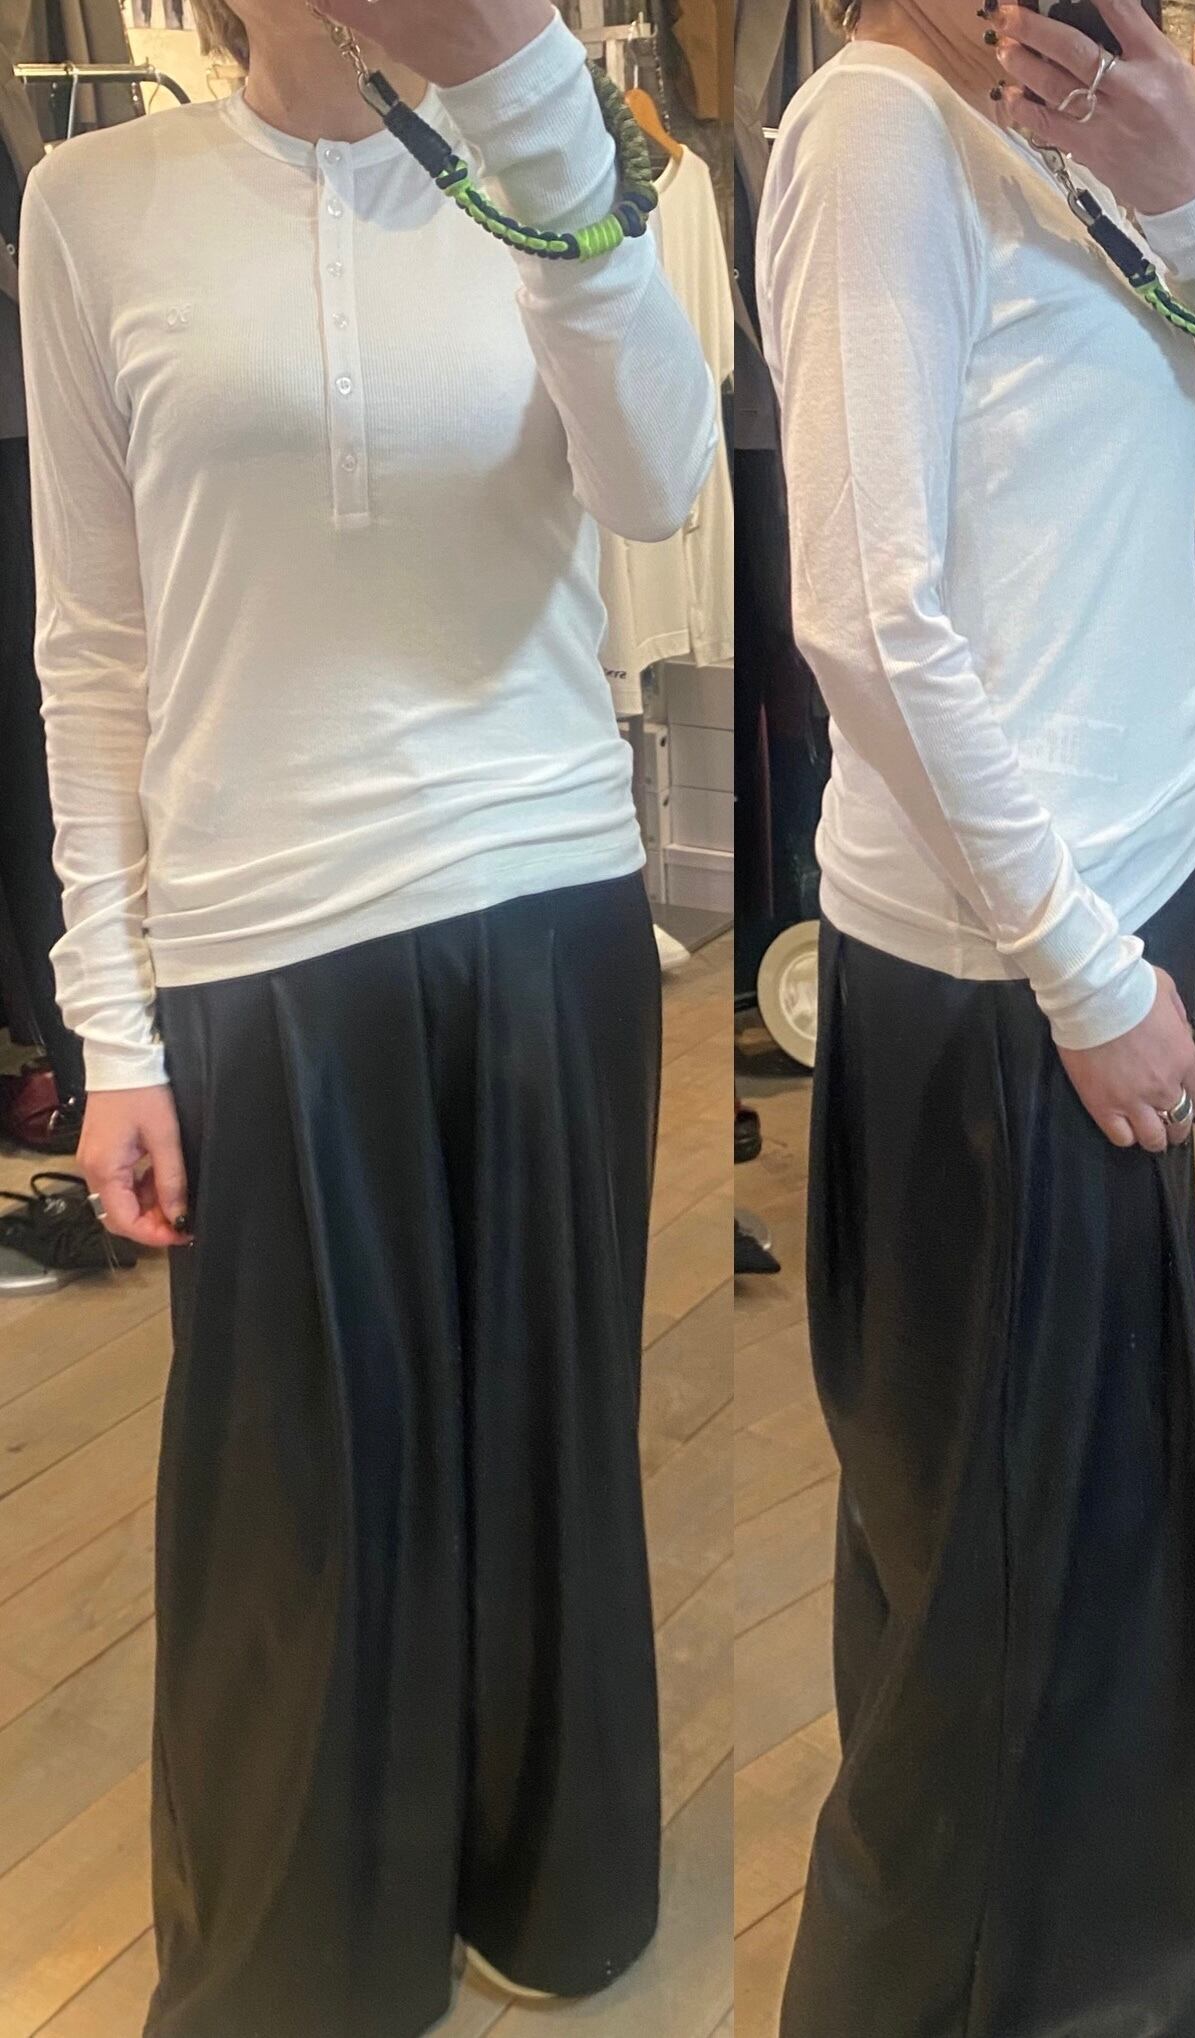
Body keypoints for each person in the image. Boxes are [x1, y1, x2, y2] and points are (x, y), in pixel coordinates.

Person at [22, 0, 718, 2030]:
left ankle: (547, 1885)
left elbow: (663, 482)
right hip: (261, 935)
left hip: (544, 893)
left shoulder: (568, 162)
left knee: (545, 1438)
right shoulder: (96, 204)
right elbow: (92, 647)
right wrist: (111, 1027)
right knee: (295, 1492)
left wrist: (531, 116)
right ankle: (305, 1959)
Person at [756, 0, 1195, 2026]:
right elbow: (863, 614)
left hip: (1099, 918)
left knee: (1056, 1584)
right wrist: (1085, 974)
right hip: (1009, 977)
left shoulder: (1093, 137)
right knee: (990, 1640)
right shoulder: (878, 138)